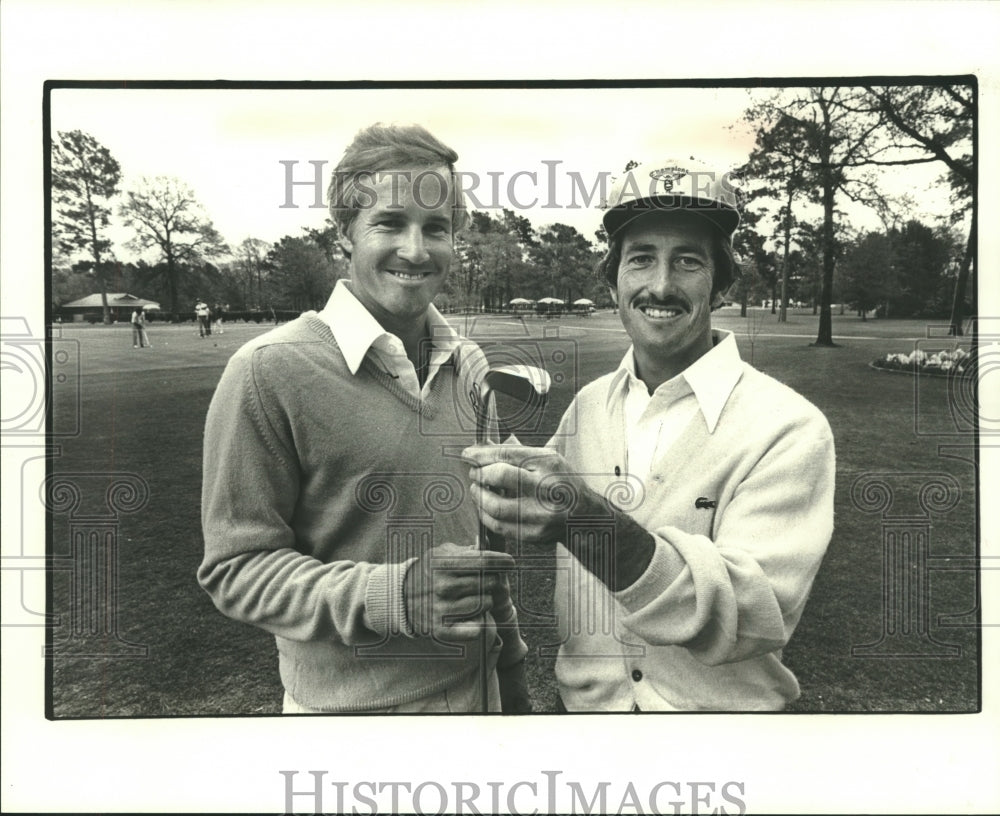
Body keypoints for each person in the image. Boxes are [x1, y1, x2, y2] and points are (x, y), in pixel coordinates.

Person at [465, 158, 835, 712]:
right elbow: (530, 516)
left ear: (720, 284)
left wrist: (588, 523)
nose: (660, 286)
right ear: (613, 279)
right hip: (583, 723)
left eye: (688, 261)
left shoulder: (789, 428)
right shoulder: (589, 406)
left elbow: (756, 615)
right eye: (640, 259)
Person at [198, 123, 530, 714]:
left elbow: (485, 550)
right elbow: (236, 569)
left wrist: (511, 667)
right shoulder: (267, 370)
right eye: (389, 223)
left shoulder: (470, 364)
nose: (416, 249)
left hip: (482, 696)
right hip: (350, 721)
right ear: (343, 238)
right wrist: (393, 596)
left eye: (436, 227)